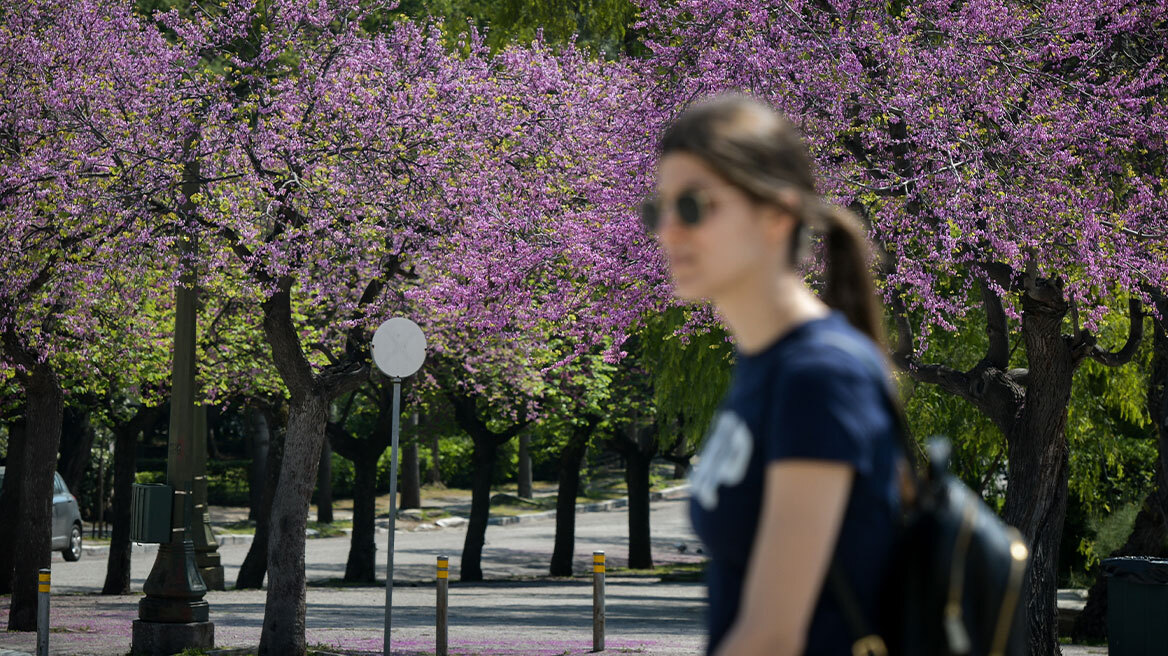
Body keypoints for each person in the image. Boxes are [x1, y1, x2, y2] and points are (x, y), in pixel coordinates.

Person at [642, 95, 905, 656]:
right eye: (658, 209)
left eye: (692, 206)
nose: (666, 231)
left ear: (776, 214)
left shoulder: (821, 374)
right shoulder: (767, 363)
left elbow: (773, 636)